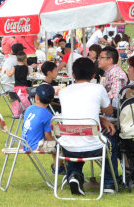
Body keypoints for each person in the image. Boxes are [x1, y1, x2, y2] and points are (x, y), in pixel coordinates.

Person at [58, 57, 118, 195]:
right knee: (112, 141)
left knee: (77, 141)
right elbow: (109, 111)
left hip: (68, 147)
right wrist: (102, 117)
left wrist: (100, 118)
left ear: (73, 75)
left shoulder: (63, 92)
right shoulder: (98, 88)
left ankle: (74, 175)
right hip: (93, 147)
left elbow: (78, 113)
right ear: (93, 75)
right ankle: (109, 183)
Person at [22, 84, 58, 172]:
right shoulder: (47, 114)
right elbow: (48, 135)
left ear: (36, 96)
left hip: (26, 143)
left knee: (54, 145)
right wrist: (56, 142)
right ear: (52, 100)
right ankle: (58, 168)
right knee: (60, 148)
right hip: (36, 146)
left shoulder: (29, 108)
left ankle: (57, 165)